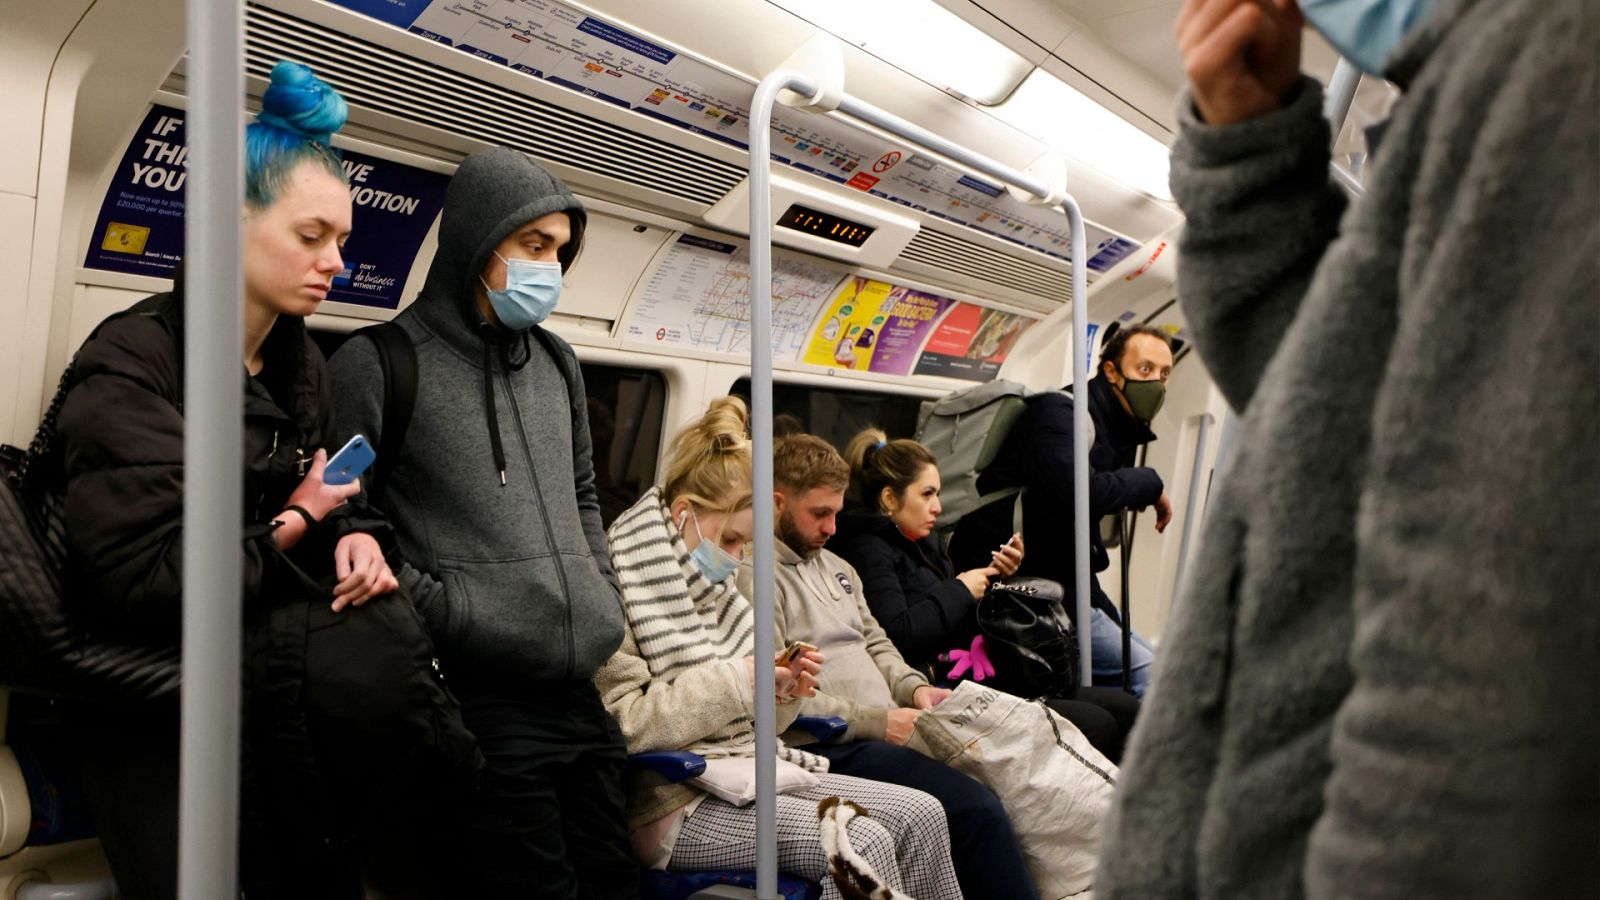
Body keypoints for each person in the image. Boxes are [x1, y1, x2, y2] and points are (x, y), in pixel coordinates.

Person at [1096, 1, 1598, 898]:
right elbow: (1324, 429)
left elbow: (1482, 673)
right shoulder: (1466, 90)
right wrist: (1249, 158)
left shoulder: (1555, 63)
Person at [54, 62, 399, 899]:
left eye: (343, 242)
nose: (336, 265)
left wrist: (356, 532)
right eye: (311, 237)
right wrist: (299, 516)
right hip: (150, 700)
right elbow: (145, 578)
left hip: (261, 682)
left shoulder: (299, 364)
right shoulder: (131, 362)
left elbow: (334, 492)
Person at [328, 147, 634, 898]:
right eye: (534, 246)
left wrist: (602, 594)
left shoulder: (558, 363)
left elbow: (584, 494)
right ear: (474, 243)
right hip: (480, 694)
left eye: (561, 251)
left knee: (616, 882)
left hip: (578, 686)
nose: (551, 269)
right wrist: (455, 611)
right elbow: (345, 511)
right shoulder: (380, 363)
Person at [595, 398, 963, 900]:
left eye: (744, 544)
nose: (736, 557)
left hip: (744, 772)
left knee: (923, 814)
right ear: (684, 515)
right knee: (857, 839)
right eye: (729, 539)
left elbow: (749, 715)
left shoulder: (715, 588)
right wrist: (742, 681)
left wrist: (782, 693)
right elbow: (626, 724)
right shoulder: (618, 588)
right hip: (672, 802)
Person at [739, 433, 1041, 900]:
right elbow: (780, 691)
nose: (832, 528)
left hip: (892, 722)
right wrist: (881, 722)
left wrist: (915, 689)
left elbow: (876, 643)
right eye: (819, 514)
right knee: (974, 809)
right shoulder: (756, 576)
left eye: (837, 513)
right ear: (777, 503)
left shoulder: (838, 567)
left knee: (1018, 767)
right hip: (830, 740)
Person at [834, 428, 1141, 762]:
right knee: (1096, 724)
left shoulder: (925, 545)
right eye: (926, 494)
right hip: (939, 686)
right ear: (890, 499)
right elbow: (898, 634)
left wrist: (998, 578)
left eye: (938, 494)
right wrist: (961, 588)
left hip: (977, 669)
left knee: (1125, 707)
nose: (937, 507)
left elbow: (954, 615)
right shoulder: (868, 550)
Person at [949, 324, 1175, 697]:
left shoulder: (1111, 429)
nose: (1157, 383)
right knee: (1151, 674)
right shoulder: (1059, 414)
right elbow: (1080, 493)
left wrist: (1109, 616)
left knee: (1157, 660)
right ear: (1111, 372)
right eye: (1146, 370)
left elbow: (1078, 545)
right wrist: (1149, 481)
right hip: (1020, 590)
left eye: (1165, 374)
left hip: (1057, 582)